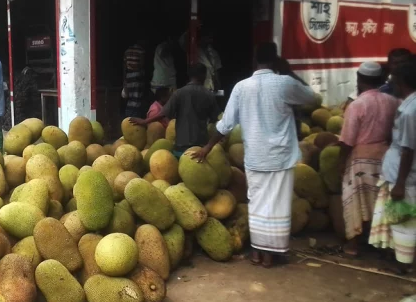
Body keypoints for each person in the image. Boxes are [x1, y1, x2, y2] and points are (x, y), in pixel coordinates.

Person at [192, 43, 316, 267]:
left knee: (257, 204)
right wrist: (287, 71)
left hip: (255, 157)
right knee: (276, 205)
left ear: (254, 61)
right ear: (276, 60)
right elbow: (310, 97)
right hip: (279, 157)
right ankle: (271, 255)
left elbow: (226, 124)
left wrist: (207, 147)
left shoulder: (241, 87)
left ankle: (258, 253)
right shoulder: (285, 83)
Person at [338, 62, 401, 256]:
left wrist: (341, 164)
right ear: (381, 80)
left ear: (359, 79)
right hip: (385, 156)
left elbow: (347, 140)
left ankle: (354, 245)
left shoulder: (357, 105)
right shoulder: (394, 101)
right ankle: (386, 244)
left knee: (355, 199)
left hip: (360, 159)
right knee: (381, 200)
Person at [370, 59, 416, 273]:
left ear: (403, 82)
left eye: (394, 80)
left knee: (403, 219)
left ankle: (403, 264)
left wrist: (399, 183)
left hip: (403, 173)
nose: (392, 84)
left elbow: (408, 149)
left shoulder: (408, 111)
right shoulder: (409, 104)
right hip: (403, 170)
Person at [131, 64, 219, 156]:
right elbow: (216, 119)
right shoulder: (208, 95)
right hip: (201, 148)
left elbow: (162, 114)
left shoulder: (179, 93)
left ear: (189, 76)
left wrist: (145, 121)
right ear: (203, 75)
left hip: (181, 147)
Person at [122, 41, 146, 118]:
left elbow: (124, 67)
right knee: (137, 98)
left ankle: (129, 115)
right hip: (137, 76)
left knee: (130, 97)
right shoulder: (140, 50)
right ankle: (135, 116)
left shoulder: (127, 51)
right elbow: (142, 65)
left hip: (129, 76)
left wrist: (125, 79)